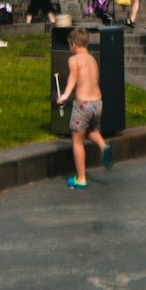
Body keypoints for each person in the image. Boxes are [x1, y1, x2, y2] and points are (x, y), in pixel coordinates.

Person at [56, 26, 112, 189]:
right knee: (89, 129)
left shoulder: (74, 60)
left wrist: (65, 96)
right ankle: (104, 146)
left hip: (83, 105)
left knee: (77, 141)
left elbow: (73, 78)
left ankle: (81, 179)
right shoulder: (92, 59)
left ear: (73, 45)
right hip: (97, 103)